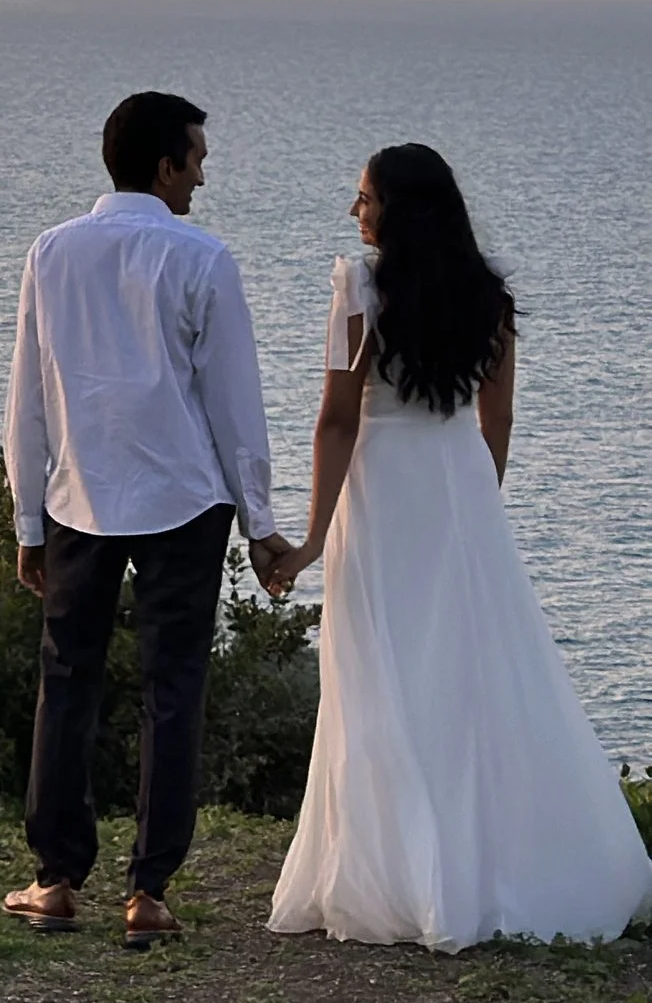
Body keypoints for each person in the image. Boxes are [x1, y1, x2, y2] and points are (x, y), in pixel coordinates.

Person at [264, 145, 651, 950]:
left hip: (381, 494)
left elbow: (336, 418)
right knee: (476, 674)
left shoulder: (358, 294)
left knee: (379, 671)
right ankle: (500, 858)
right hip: (460, 486)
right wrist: (480, 501)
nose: (354, 211)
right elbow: (496, 419)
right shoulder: (492, 299)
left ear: (398, 209)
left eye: (364, 197)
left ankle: (395, 868)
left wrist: (307, 540)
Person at [2, 91, 288, 945]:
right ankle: (149, 892)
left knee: (68, 682)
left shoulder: (51, 253)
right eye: (197, 158)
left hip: (79, 498)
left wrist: (26, 520)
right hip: (183, 501)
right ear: (165, 165)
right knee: (173, 689)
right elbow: (235, 403)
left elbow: (28, 396)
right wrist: (261, 521)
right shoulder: (204, 257)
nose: (203, 174)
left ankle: (55, 880)